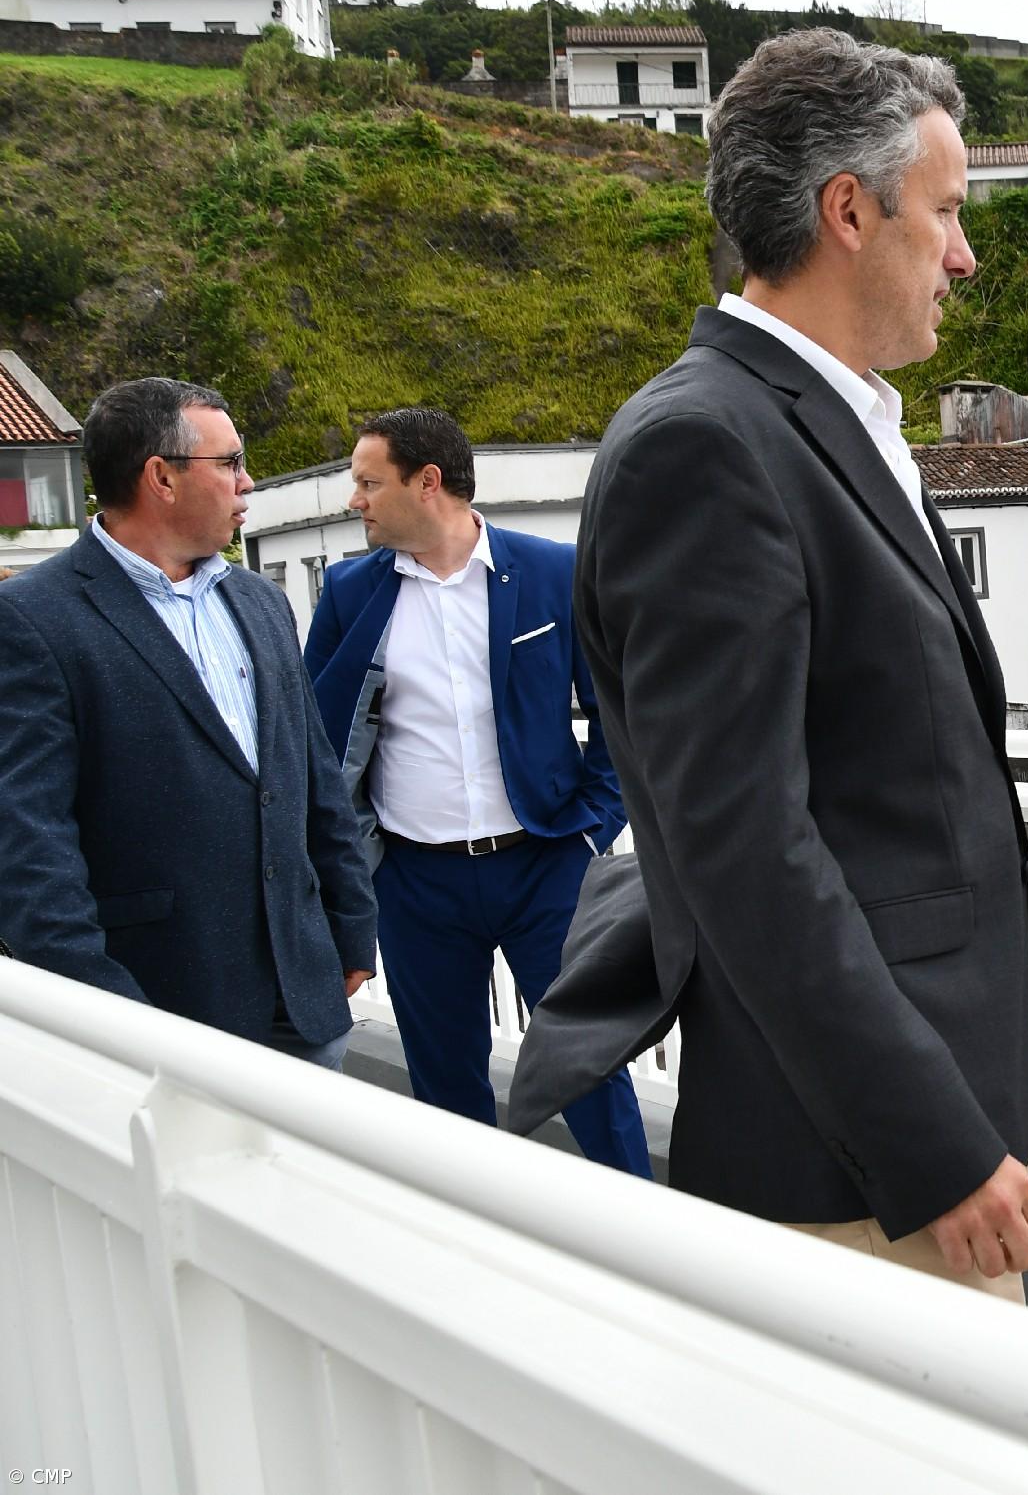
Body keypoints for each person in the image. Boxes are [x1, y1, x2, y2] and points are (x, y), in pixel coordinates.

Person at [550, 27, 1028, 1297]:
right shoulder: (707, 447)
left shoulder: (821, 421)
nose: (964, 254)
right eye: (946, 213)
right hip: (858, 1169)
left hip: (914, 1113)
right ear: (850, 210)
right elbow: (744, 849)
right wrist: (934, 1144)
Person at [304, 409, 649, 1176]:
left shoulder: (554, 571)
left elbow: (619, 716)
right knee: (447, 1087)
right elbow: (315, 740)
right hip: (416, 882)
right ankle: (475, 1251)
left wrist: (592, 830)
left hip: (546, 866)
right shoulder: (349, 592)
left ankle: (652, 1238)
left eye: (367, 483)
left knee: (590, 1067)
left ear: (428, 483)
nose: (353, 501)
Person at [0, 377, 376, 1062]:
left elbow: (315, 775)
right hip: (161, 1009)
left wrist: (351, 929)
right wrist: (105, 1011)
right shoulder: (33, 619)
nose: (247, 481)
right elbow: (28, 845)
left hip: (305, 997)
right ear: (160, 478)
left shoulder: (262, 603)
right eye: (229, 462)